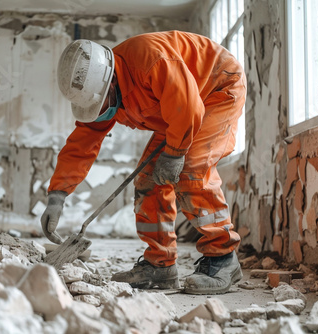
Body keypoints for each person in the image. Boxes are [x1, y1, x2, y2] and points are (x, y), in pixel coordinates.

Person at [41, 30, 247, 295]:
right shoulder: (105, 94)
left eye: (103, 104)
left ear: (110, 81)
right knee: (149, 180)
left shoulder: (151, 61)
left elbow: (188, 106)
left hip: (217, 87)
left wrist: (174, 153)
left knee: (191, 169)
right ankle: (160, 265)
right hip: (178, 110)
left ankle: (223, 259)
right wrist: (57, 195)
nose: (102, 112)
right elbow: (83, 141)